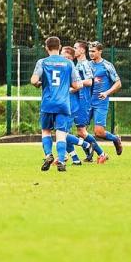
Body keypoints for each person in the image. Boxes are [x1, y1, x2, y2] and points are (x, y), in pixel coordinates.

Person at [31, 36, 82, 172]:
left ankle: (48, 155)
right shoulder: (69, 63)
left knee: (46, 131)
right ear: (59, 47)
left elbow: (34, 80)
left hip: (48, 103)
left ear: (46, 48)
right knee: (61, 132)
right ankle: (61, 159)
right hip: (63, 103)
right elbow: (76, 84)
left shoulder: (42, 62)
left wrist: (39, 84)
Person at [88, 42, 123, 163]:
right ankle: (96, 154)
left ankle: (115, 139)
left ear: (100, 51)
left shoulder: (107, 66)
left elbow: (118, 83)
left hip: (100, 102)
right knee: (81, 130)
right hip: (87, 102)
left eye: (93, 51)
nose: (91, 53)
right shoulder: (87, 65)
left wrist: (107, 93)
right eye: (90, 51)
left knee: (99, 132)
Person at [60, 46, 94, 165]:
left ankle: (86, 144)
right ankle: (75, 159)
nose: (62, 58)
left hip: (70, 105)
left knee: (62, 133)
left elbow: (78, 85)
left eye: (65, 57)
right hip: (64, 103)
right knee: (63, 132)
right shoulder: (63, 68)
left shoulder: (72, 69)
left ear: (70, 58)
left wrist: (67, 89)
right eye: (61, 56)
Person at [72, 40, 100, 162]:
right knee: (80, 131)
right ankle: (89, 155)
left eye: (75, 48)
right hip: (78, 100)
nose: (73, 50)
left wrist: (76, 85)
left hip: (83, 101)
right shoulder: (77, 65)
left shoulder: (84, 64)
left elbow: (89, 81)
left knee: (82, 131)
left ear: (82, 50)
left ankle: (101, 153)